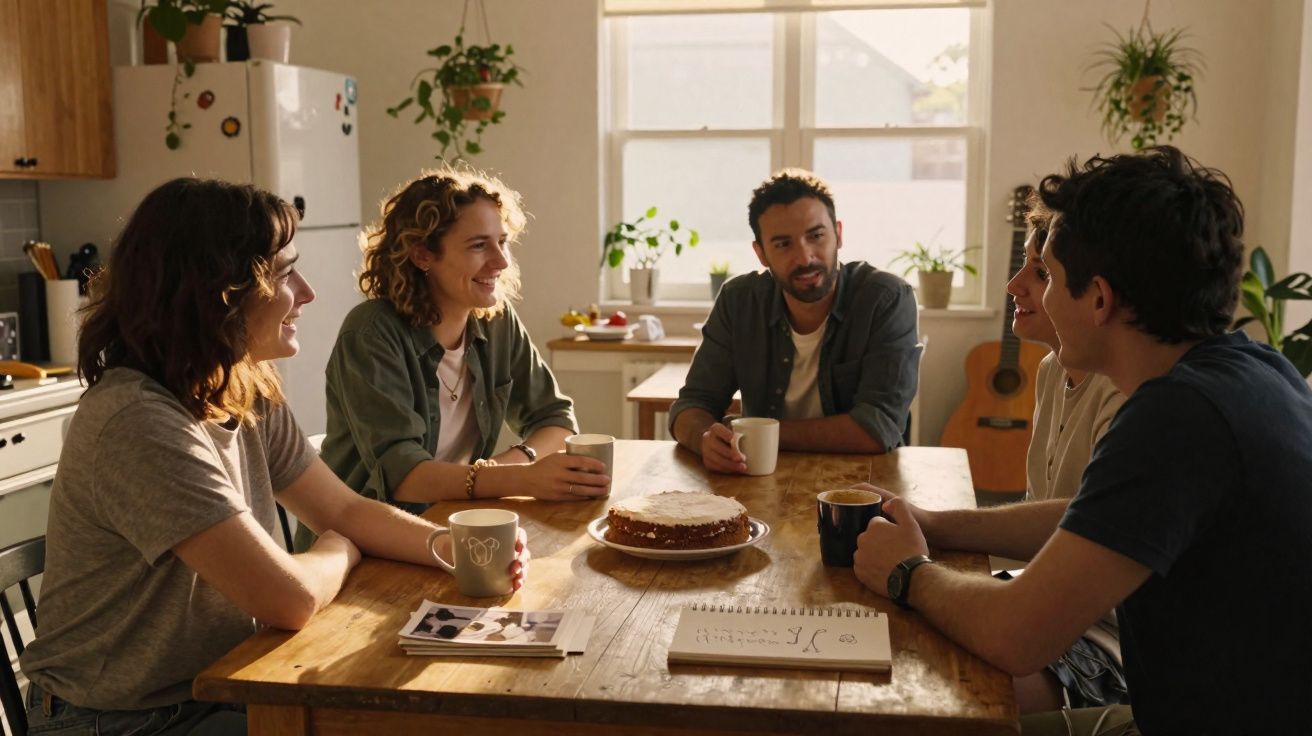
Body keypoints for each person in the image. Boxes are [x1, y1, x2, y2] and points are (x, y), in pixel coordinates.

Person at [18, 178, 527, 736]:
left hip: (228, 682)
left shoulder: (242, 385)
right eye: (285, 274)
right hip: (124, 720)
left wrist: (449, 547)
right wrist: (337, 548)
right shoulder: (140, 423)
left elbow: (346, 510)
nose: (307, 293)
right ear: (219, 291)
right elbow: (291, 598)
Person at [852, 146, 1312, 734]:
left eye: (1049, 277)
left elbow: (1015, 635)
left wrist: (908, 571)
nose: (1036, 296)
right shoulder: (1253, 372)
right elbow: (1094, 519)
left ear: (1098, 299)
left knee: (912, 713)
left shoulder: (1178, 417)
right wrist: (939, 524)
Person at [311, 169, 608, 533]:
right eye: (479, 245)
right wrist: (520, 479)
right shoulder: (371, 333)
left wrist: (509, 466)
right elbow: (403, 476)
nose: (501, 262)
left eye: (503, 242)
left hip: (452, 523)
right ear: (422, 255)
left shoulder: (495, 321)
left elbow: (556, 420)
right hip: (362, 542)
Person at [670, 169, 921, 473]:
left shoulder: (886, 299)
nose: (805, 258)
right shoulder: (739, 301)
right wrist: (705, 438)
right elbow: (691, 405)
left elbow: (878, 427)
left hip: (864, 488)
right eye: (783, 244)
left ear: (838, 234)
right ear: (760, 253)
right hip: (758, 478)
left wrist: (755, 434)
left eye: (816, 236)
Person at [1007, 216, 1128, 712]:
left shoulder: (1129, 392)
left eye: (1042, 275)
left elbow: (1082, 528)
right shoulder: (1051, 369)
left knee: (953, 687)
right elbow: (1046, 517)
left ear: (1097, 295)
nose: (1015, 286)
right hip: (1057, 603)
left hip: (1113, 643)